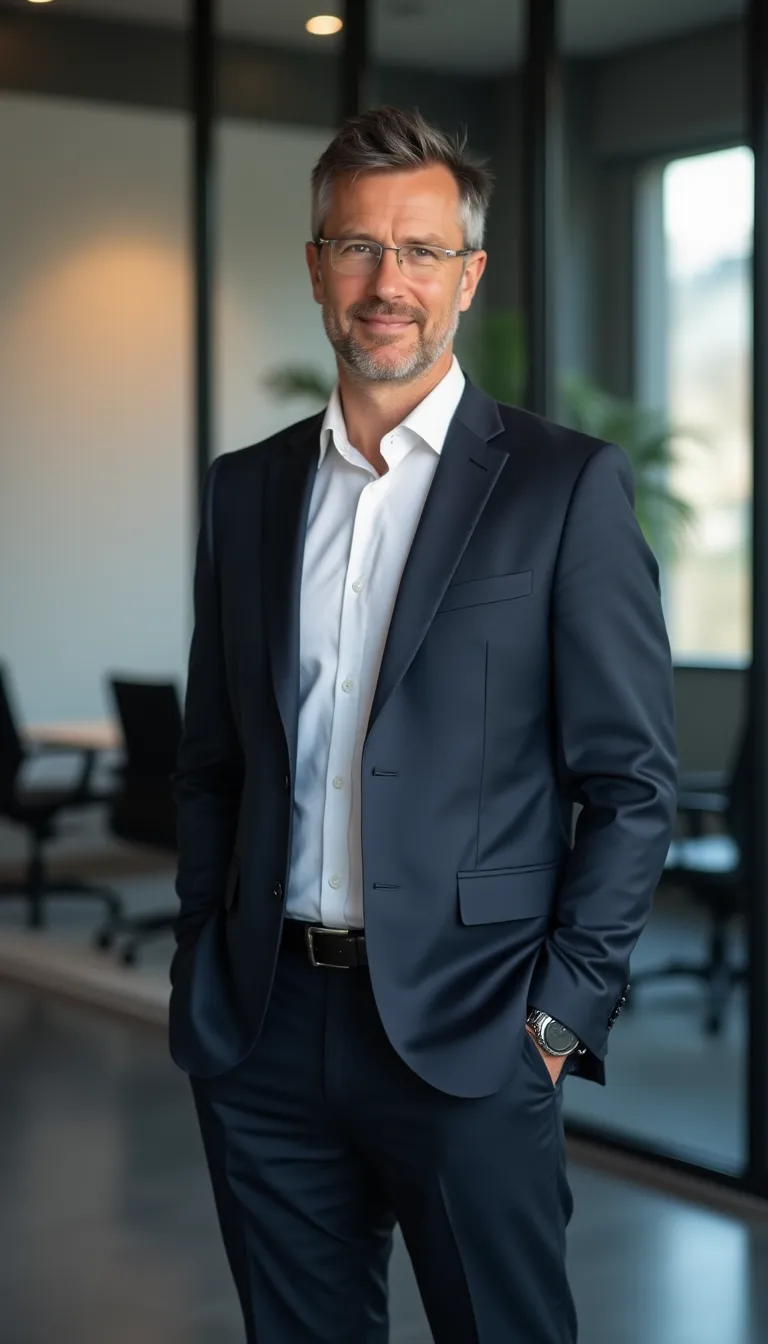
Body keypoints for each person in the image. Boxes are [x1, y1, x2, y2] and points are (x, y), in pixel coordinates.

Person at [169, 105, 678, 1344]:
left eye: (420, 251)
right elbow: (213, 764)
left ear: (468, 276)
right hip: (266, 1029)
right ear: (315, 267)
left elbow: (631, 786)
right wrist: (203, 959)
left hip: (474, 1031)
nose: (385, 281)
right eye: (356, 246)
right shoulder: (249, 490)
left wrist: (557, 1019)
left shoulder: (566, 488)